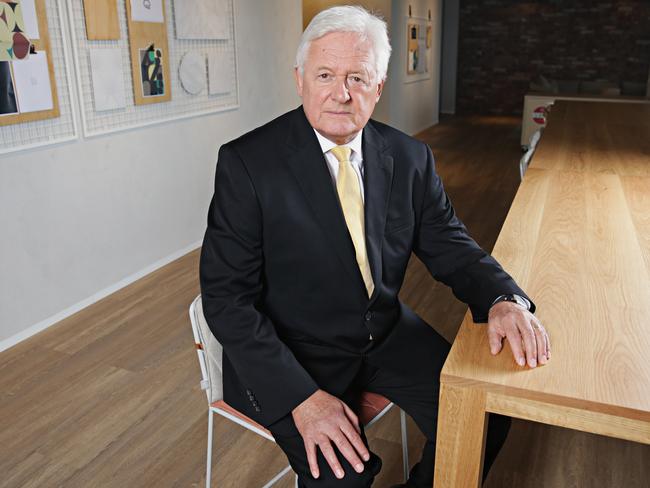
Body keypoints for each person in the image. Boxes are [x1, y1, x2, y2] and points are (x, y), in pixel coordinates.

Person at [199, 6, 551, 487]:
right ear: (299, 79)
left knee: (485, 417)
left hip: (382, 331)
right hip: (291, 350)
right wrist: (302, 398)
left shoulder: (409, 157)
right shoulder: (247, 164)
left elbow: (450, 242)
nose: (341, 94)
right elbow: (227, 301)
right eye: (325, 74)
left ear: (379, 88)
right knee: (345, 476)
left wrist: (502, 298)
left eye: (358, 78)